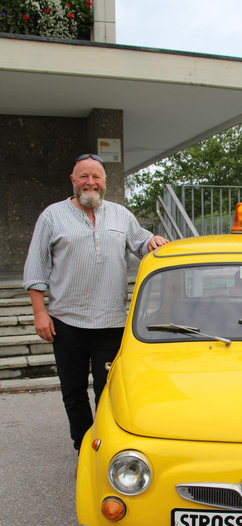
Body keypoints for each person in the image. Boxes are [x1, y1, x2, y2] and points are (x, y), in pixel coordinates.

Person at [23, 153, 169, 451]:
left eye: (96, 177)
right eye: (83, 176)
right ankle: (83, 448)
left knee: (109, 390)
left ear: (105, 181)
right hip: (66, 322)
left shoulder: (121, 215)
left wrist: (152, 241)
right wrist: (40, 313)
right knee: (73, 390)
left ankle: (106, 447)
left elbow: (141, 243)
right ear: (73, 180)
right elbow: (36, 266)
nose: (90, 182)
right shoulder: (52, 216)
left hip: (110, 323)